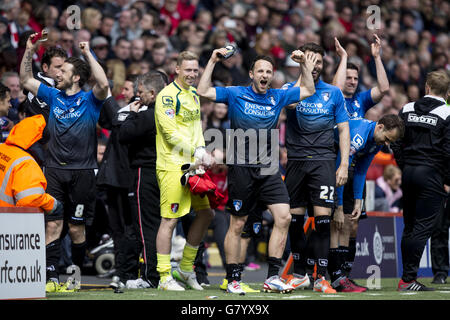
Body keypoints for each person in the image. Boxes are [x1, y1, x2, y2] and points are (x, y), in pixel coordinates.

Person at [197, 47, 316, 294]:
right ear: (251, 74)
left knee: (283, 217)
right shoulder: (235, 93)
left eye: (269, 71)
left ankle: (272, 277)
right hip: (241, 168)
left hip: (269, 168)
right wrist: (211, 60)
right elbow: (203, 90)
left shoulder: (278, 96)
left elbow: (309, 90)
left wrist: (304, 63)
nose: (265, 75)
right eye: (260, 70)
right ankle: (232, 279)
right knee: (237, 225)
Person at [20, 33, 109, 292]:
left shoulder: (91, 100)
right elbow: (26, 79)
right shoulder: (53, 95)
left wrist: (88, 54)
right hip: (55, 171)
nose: (57, 74)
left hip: (83, 173)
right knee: (53, 224)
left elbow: (103, 82)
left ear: (77, 77)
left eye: (64, 71)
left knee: (76, 228)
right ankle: (50, 278)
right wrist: (29, 50)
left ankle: (74, 279)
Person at [282, 42, 350, 294]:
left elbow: (343, 129)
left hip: (323, 161)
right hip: (297, 161)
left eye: (318, 61)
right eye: (310, 60)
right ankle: (299, 274)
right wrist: (303, 68)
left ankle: (321, 277)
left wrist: (343, 164)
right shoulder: (290, 89)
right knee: (294, 220)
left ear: (323, 65)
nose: (314, 65)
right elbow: (288, 105)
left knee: (323, 221)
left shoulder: (333, 93)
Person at [154, 51, 215, 291]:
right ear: (176, 69)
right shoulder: (167, 96)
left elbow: (196, 128)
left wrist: (200, 149)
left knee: (206, 214)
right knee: (169, 220)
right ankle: (164, 276)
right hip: (172, 165)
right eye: (187, 69)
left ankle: (186, 269)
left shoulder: (193, 95)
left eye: (195, 69)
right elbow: (169, 133)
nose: (192, 73)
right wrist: (197, 152)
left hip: (194, 165)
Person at [328, 115, 404, 292]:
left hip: (345, 166)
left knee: (348, 221)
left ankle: (343, 276)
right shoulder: (359, 136)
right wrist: (338, 206)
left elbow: (361, 170)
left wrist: (358, 200)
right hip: (330, 161)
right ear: (380, 127)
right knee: (333, 221)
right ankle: (325, 275)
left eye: (390, 142)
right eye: (386, 138)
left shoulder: (376, 142)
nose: (386, 144)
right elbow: (341, 169)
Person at [391, 70, 450, 291]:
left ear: (426, 87)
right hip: (431, 175)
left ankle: (407, 277)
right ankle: (408, 279)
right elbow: (448, 151)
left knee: (410, 227)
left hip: (409, 173)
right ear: (448, 93)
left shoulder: (406, 108)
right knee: (423, 228)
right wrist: (447, 179)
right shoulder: (447, 113)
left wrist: (404, 166)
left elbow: (395, 141)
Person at [118, 71, 167, 289]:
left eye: (140, 93)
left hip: (145, 172)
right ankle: (164, 273)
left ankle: (150, 276)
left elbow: (123, 134)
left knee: (147, 226)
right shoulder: (171, 113)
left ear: (152, 93)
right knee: (164, 225)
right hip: (166, 172)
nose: (138, 97)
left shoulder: (148, 115)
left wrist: (130, 114)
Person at [333, 34, 390, 120]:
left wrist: (377, 57)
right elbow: (336, 90)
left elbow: (384, 88)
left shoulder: (361, 99)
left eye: (355, 78)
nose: (353, 82)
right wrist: (344, 57)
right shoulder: (330, 97)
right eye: (348, 78)